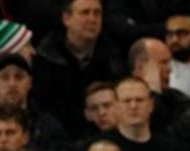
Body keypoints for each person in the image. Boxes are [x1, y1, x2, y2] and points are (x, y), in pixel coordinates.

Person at [33, 0, 126, 136]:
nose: (92, 19)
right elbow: (41, 107)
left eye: (97, 13)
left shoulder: (112, 56)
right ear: (66, 18)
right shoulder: (46, 57)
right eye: (85, 13)